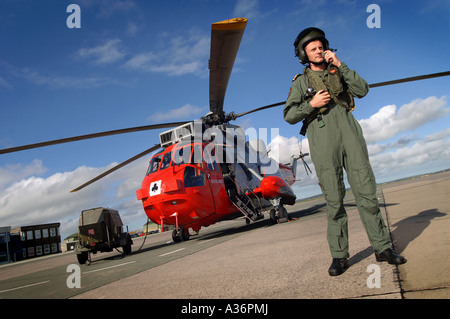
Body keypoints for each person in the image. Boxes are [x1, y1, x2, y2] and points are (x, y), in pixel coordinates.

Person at [283, 27, 406, 276]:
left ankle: (382, 248)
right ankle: (339, 256)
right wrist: (311, 104)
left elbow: (362, 90)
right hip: (322, 135)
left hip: (350, 133)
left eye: (321, 47)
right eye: (312, 49)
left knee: (367, 194)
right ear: (304, 54)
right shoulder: (301, 82)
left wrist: (341, 65)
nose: (318, 51)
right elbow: (289, 115)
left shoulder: (339, 70)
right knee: (334, 200)